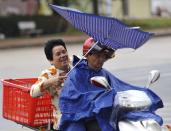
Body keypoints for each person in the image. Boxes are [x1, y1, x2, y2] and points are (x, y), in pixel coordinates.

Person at [58, 37, 163, 131]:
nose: (101, 60)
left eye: (104, 57)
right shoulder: (75, 75)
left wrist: (143, 91)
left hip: (106, 114)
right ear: (88, 55)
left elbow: (120, 87)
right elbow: (71, 101)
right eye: (98, 56)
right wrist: (100, 100)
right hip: (83, 117)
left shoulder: (103, 73)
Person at [30, 39, 71, 130]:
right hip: (63, 118)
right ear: (51, 60)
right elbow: (33, 92)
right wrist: (51, 82)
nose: (63, 55)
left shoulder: (75, 64)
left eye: (64, 52)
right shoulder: (48, 74)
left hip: (82, 112)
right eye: (58, 54)